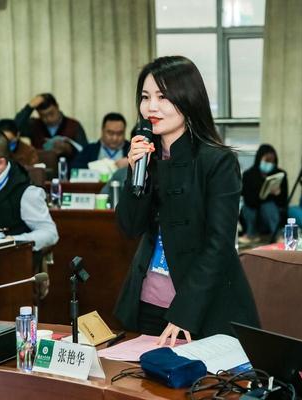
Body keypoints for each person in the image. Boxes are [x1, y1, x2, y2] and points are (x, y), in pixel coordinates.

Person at [114, 56, 259, 345]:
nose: (151, 107)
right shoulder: (146, 156)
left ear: (188, 99)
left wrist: (184, 312)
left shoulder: (217, 161)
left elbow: (219, 245)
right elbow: (130, 227)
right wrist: (135, 172)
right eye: (145, 97)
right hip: (148, 302)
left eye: (162, 97)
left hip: (201, 308)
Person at [15, 93, 87, 159]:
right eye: (43, 116)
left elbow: (85, 152)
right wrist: (30, 107)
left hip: (68, 166)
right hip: (41, 166)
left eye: (51, 114)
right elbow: (15, 128)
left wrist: (69, 149)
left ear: (57, 107)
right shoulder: (34, 125)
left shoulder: (73, 125)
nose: (48, 119)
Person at [240, 144, 288, 244]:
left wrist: (278, 193)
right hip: (253, 215)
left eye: (272, 161)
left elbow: (284, 202)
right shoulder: (248, 175)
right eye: (267, 160)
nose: (269, 163)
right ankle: (251, 234)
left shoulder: (280, 174)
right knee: (247, 207)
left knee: (268, 205)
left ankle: (277, 235)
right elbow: (248, 200)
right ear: (259, 158)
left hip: (272, 215)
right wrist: (264, 195)